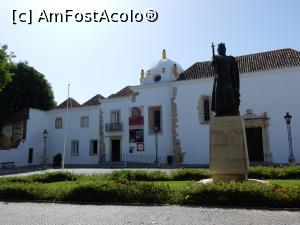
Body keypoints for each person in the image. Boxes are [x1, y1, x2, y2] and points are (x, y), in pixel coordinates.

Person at [211, 43, 240, 116]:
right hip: (219, 80)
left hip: (228, 80)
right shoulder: (216, 57)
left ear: (225, 49)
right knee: (219, 96)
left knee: (229, 95)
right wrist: (213, 62)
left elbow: (234, 70)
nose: (221, 49)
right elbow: (212, 63)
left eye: (223, 48)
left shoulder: (230, 58)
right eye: (220, 48)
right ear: (217, 50)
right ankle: (219, 111)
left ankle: (232, 110)